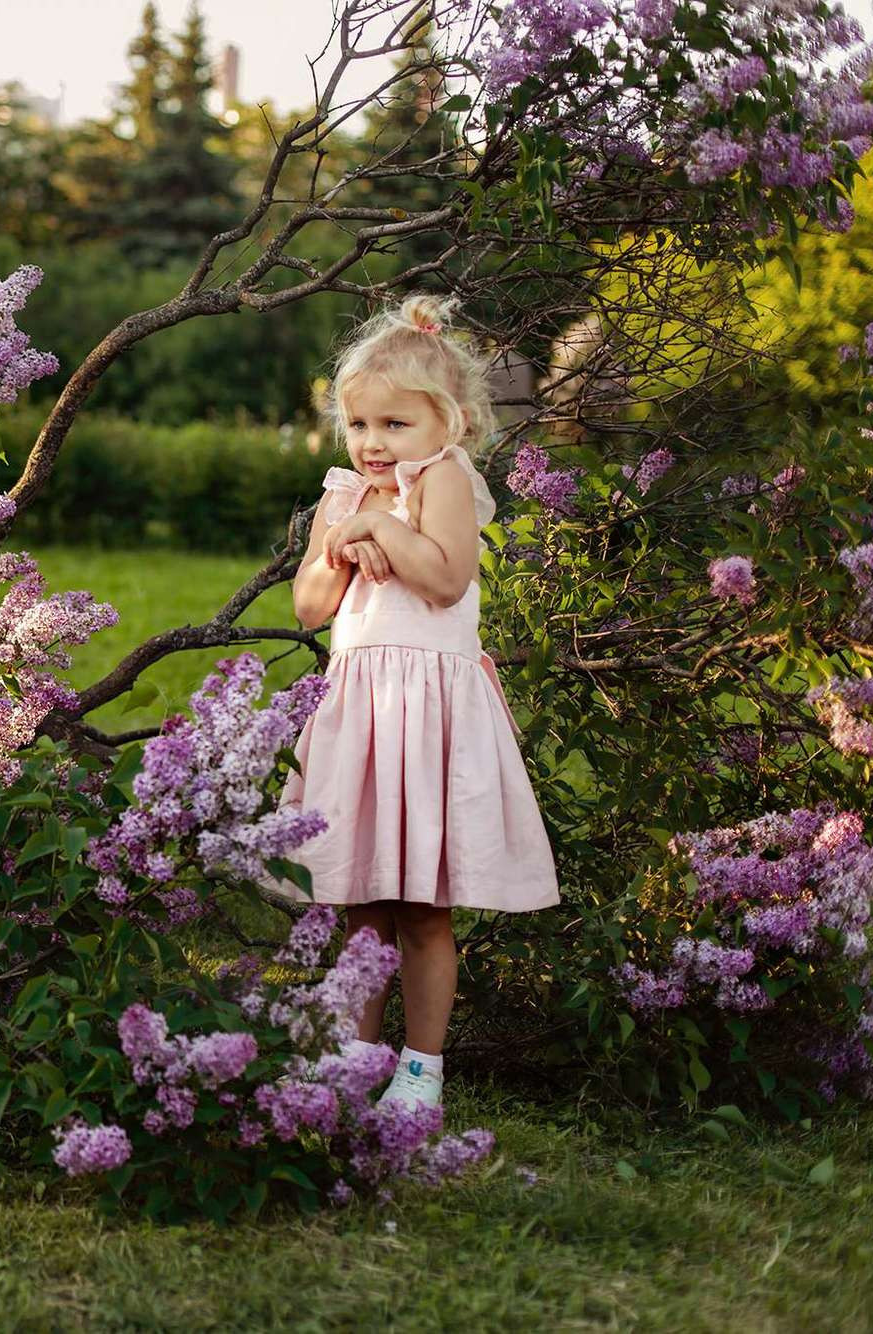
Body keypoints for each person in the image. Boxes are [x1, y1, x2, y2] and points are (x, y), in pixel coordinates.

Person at [285, 294, 560, 1109]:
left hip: (429, 714)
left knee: (423, 908)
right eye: (360, 424)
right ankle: (355, 1055)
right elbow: (309, 607)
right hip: (363, 715)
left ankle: (420, 1069)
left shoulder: (444, 479)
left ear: (451, 424)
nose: (373, 443)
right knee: (360, 902)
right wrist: (344, 542)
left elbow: (444, 578)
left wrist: (387, 533)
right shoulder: (344, 496)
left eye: (395, 425)